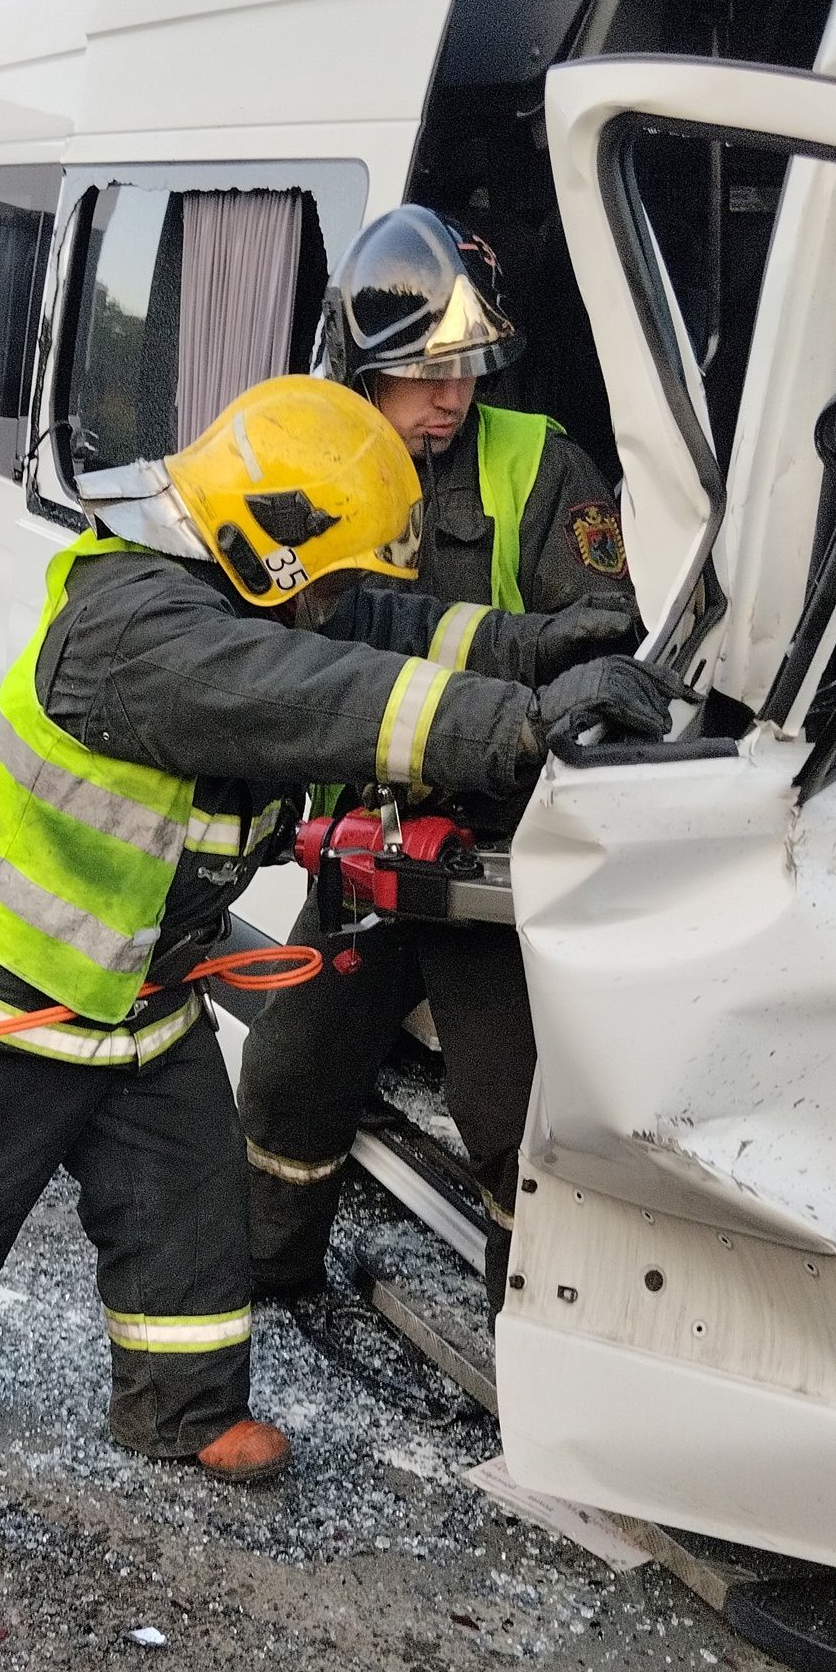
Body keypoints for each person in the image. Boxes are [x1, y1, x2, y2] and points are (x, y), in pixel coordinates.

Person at [0, 375, 680, 1506]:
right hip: (7, 982)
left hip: (141, 987)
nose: (341, 597)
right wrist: (514, 727)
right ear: (272, 547)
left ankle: (183, 1408)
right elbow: (315, 691)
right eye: (331, 573)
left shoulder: (253, 588)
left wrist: (546, 644)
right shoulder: (139, 626)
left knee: (183, 1201)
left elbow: (394, 625)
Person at [237, 205, 641, 1305]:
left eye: (466, 367)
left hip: (490, 859)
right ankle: (268, 1275)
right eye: (424, 370)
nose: (453, 395)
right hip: (369, 843)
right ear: (358, 366)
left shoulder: (539, 465)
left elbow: (599, 650)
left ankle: (540, 1346)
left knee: (511, 1119)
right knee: (284, 1073)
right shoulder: (304, 462)